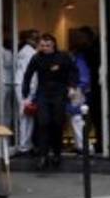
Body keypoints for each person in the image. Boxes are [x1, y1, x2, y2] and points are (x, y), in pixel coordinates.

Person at [22, 33, 76, 169]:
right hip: (43, 94)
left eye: (47, 45)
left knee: (57, 123)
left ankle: (57, 153)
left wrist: (72, 87)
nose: (44, 48)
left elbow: (73, 72)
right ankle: (43, 156)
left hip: (59, 93)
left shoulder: (63, 57)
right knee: (43, 123)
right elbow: (28, 75)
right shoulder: (36, 58)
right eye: (42, 45)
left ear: (53, 45)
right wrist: (25, 93)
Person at [13, 30, 39, 156]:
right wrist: (33, 90)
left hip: (21, 84)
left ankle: (26, 144)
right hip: (26, 86)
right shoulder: (30, 53)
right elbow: (31, 73)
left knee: (26, 116)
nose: (37, 40)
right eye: (35, 38)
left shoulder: (23, 51)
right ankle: (24, 146)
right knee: (26, 116)